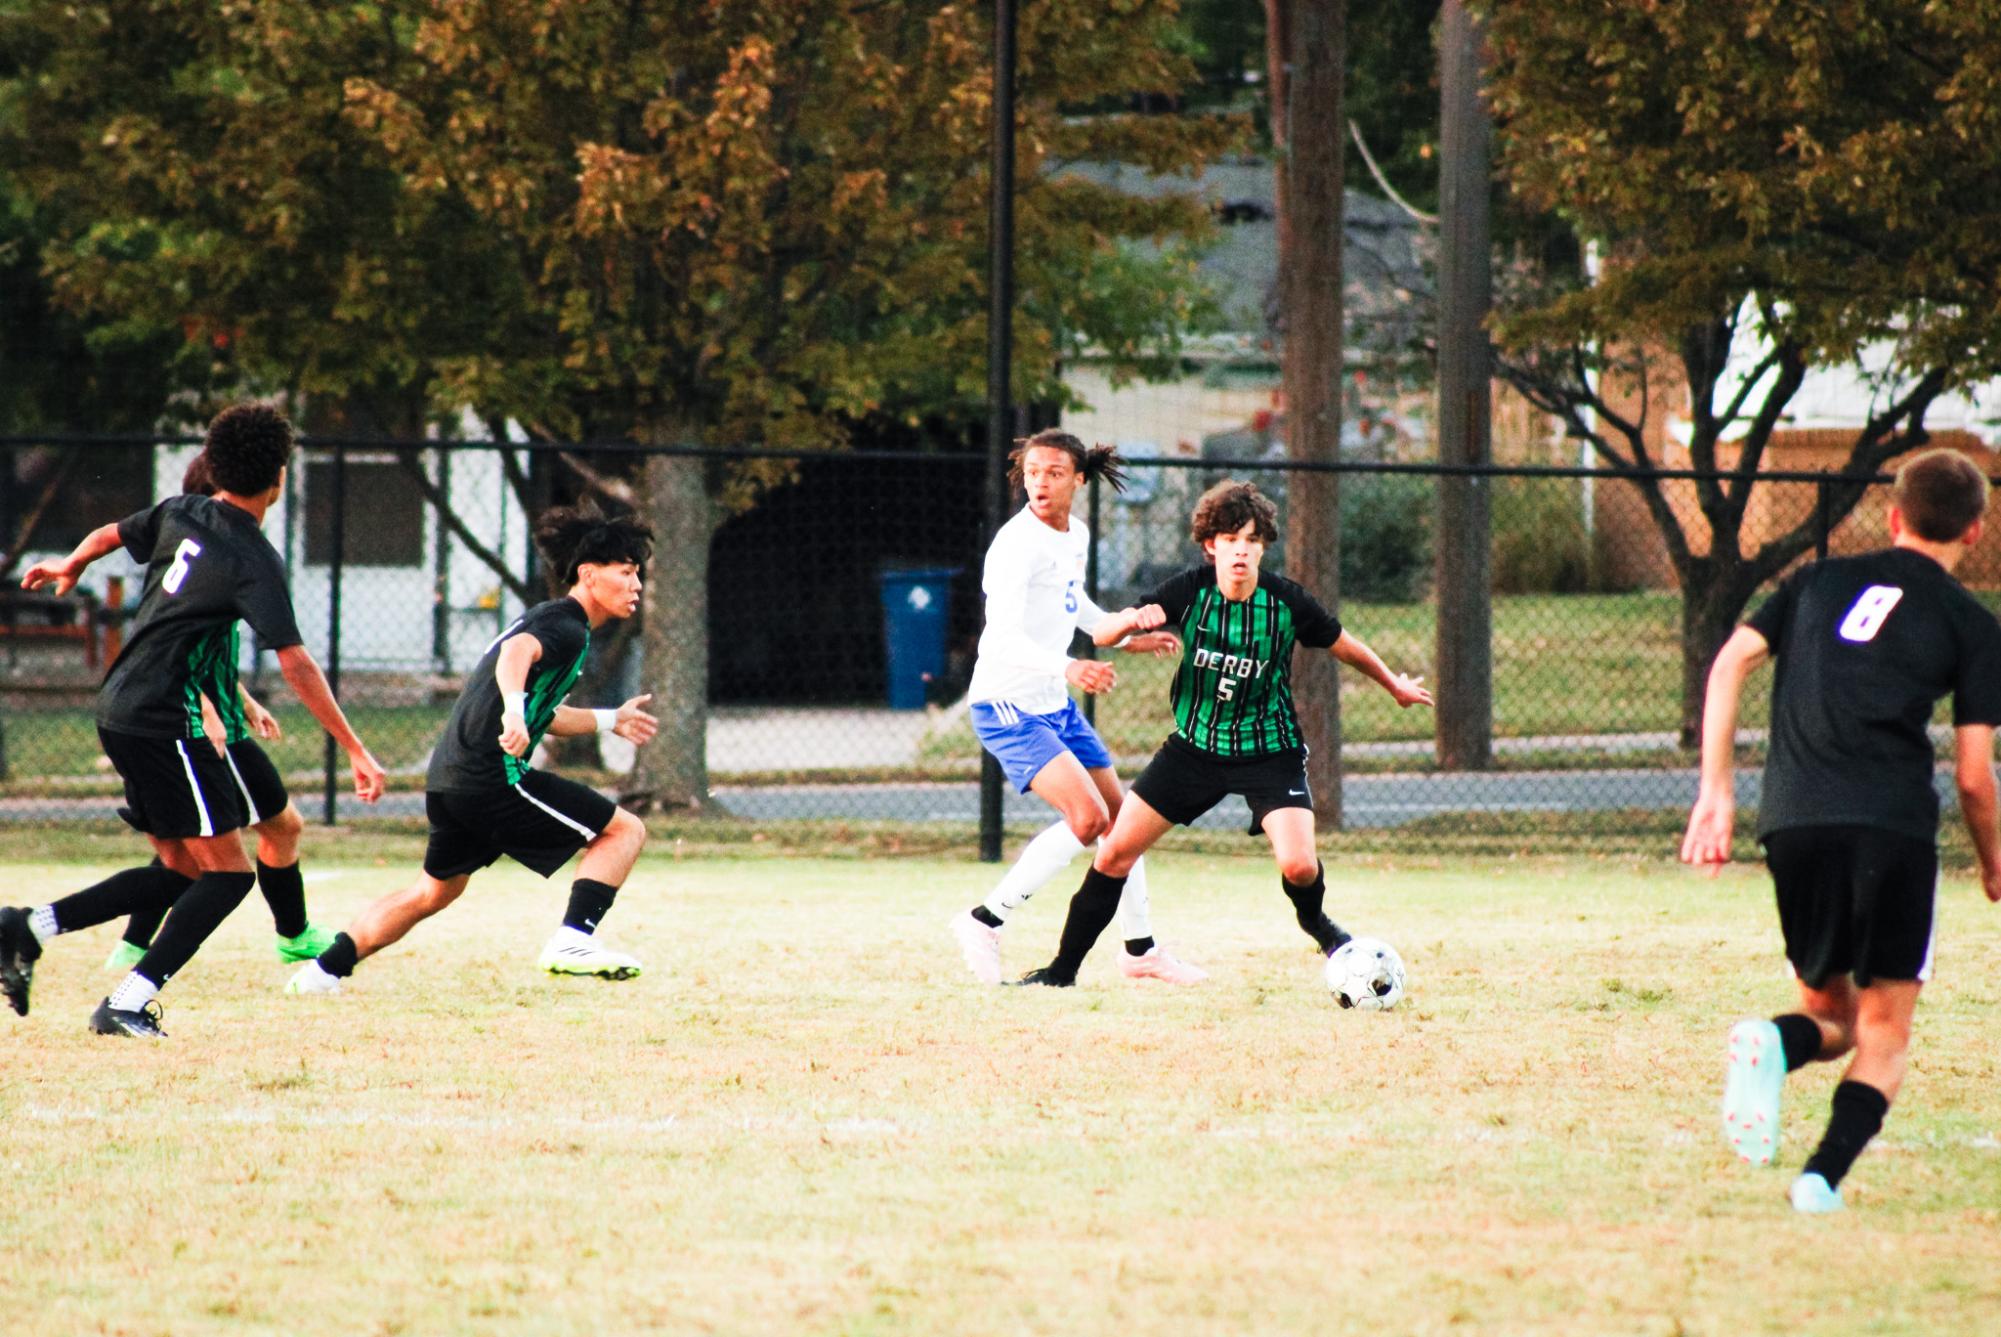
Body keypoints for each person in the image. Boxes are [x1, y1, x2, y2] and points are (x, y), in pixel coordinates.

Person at [1680, 447, 2001, 1214]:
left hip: (1791, 820)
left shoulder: (1813, 581)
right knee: (1882, 1033)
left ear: (1892, 516)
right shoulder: (1971, 623)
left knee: (1826, 1012)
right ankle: (1819, 1179)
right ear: (1976, 532)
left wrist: (1716, 793)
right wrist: (1993, 863)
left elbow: (1727, 664)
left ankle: (1769, 1039)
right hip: (1888, 828)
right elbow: (1971, 776)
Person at [0, 403, 386, 1039]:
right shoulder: (253, 558)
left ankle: (28, 927)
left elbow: (106, 535)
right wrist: (355, 748)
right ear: (279, 479)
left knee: (180, 868)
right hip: (162, 720)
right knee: (229, 875)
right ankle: (126, 1001)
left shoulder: (183, 512)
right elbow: (296, 664)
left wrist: (73, 563)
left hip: (118, 708)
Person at [1015, 478, 1433, 988]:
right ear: (1211, 545)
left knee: (1300, 865)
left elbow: (1345, 645)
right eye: (1231, 538)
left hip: (1269, 751)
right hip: (1194, 749)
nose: (1241, 549)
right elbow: (1101, 634)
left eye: (1252, 540)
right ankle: (1060, 973)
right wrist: (1130, 621)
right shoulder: (1188, 591)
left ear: (1262, 548)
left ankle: (1315, 921)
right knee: (1114, 854)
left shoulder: (1285, 603)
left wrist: (1394, 685)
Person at [286, 504, 659, 994]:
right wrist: (511, 709)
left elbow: (548, 714)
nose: (636, 585)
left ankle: (320, 973)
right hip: (491, 778)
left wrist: (611, 719)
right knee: (623, 831)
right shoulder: (564, 625)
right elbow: (516, 653)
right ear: (589, 575)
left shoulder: (560, 624)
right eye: (626, 572)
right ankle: (573, 940)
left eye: (637, 575)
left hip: (450, 779)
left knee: (432, 892)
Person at [949, 430, 1202, 985]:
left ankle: (1141, 952)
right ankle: (984, 921)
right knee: (1088, 820)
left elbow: (1076, 606)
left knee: (1126, 825)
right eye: (1033, 472)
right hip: (1008, 704)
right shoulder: (1016, 545)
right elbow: (1001, 641)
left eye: (1055, 472)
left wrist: (1125, 634)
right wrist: (1068, 666)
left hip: (1052, 703)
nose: (1041, 481)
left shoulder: (1074, 534)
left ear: (1078, 480)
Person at [104, 451, 336, 971]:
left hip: (215, 721)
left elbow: (202, 651)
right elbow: (173, 658)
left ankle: (134, 945)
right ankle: (291, 935)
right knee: (236, 844)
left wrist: (246, 702)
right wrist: (211, 711)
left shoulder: (208, 551)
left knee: (201, 844)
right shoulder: (220, 550)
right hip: (203, 731)